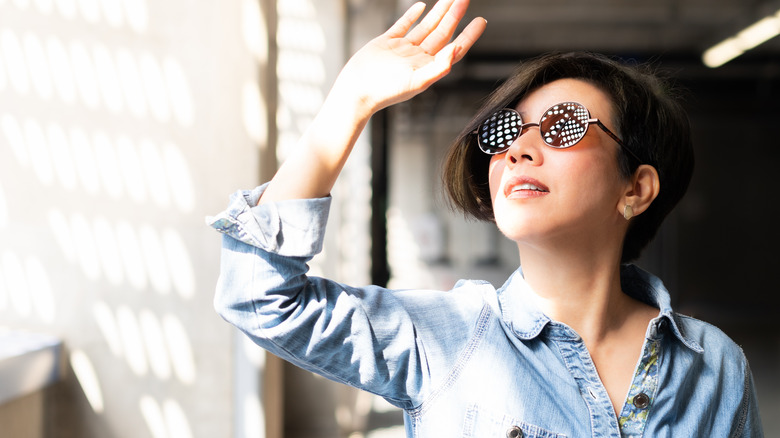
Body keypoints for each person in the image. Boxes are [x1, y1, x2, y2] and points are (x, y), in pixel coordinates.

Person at [209, 0, 763, 436]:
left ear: (635, 189)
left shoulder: (714, 367)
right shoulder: (443, 338)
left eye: (562, 126)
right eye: (506, 131)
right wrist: (349, 103)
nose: (519, 148)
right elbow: (259, 297)